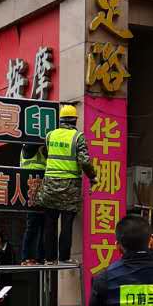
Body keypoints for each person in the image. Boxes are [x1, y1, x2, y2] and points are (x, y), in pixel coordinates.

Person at [36, 104, 97, 263]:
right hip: (70, 186)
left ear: (61, 120)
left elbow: (48, 154)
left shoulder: (50, 135)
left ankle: (49, 258)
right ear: (75, 120)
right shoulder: (78, 137)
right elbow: (85, 161)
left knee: (50, 223)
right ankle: (64, 257)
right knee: (67, 223)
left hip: (49, 185)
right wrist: (92, 177)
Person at [19, 143, 47, 264]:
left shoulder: (27, 148)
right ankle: (27, 257)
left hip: (39, 190)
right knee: (34, 226)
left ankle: (38, 256)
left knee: (41, 226)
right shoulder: (30, 146)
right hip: (34, 190)